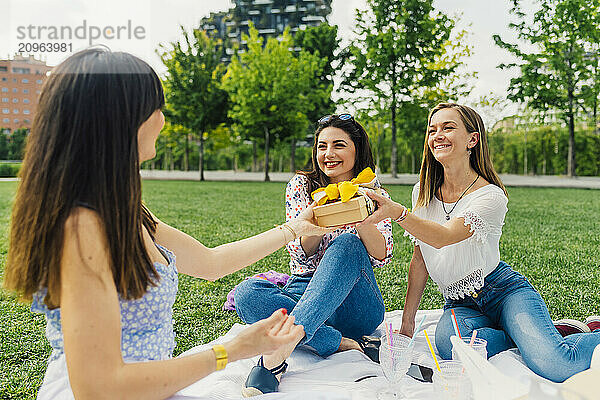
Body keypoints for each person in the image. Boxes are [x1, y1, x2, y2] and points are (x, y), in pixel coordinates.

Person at [2, 48, 332, 399]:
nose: (162, 118)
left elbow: (210, 263)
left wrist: (295, 228)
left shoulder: (123, 208)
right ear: (120, 120)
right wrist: (231, 351)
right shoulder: (81, 228)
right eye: (155, 107)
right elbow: (97, 388)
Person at [361, 103, 600, 383]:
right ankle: (522, 335)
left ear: (472, 140)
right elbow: (421, 257)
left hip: (504, 292)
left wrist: (398, 213)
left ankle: (589, 331)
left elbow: (443, 237)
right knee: (449, 345)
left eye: (448, 127)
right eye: (432, 129)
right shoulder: (422, 192)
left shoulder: (490, 196)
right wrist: (407, 321)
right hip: (460, 302)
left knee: (557, 365)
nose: (437, 135)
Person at [233, 113, 394, 396]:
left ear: (357, 148)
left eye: (339, 145)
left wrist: (359, 212)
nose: (328, 154)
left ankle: (283, 346)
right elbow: (301, 252)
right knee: (247, 294)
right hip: (304, 290)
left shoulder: (374, 191)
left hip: (354, 304)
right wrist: (324, 212)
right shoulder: (301, 185)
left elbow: (382, 256)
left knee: (347, 244)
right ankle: (342, 343)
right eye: (322, 146)